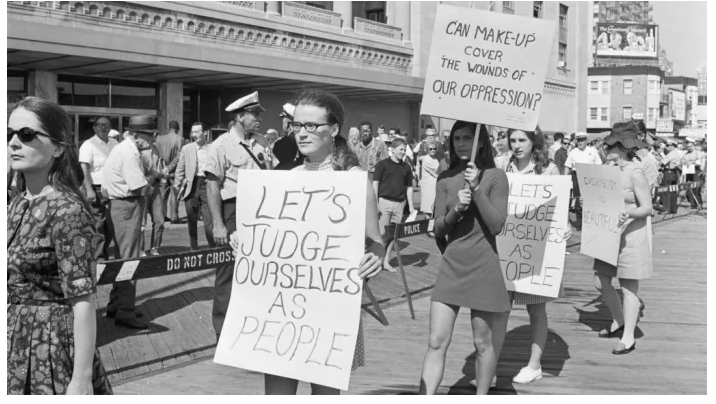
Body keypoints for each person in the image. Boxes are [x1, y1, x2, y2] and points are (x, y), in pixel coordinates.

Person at [228, 88, 385, 395]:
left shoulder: (353, 181)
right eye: (297, 124)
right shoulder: (285, 179)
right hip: (281, 311)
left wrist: (375, 257)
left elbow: (376, 241)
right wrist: (246, 240)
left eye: (311, 125)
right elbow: (272, 239)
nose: (301, 132)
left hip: (330, 310)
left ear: (334, 129)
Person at [7, 96, 113, 394]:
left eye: (26, 134)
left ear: (58, 147)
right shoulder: (17, 203)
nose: (14, 142)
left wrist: (81, 378)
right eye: (9, 134)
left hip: (51, 347)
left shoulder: (67, 211)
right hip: (15, 340)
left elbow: (83, 300)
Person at [419, 121, 509, 395]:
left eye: (467, 138)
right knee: (436, 341)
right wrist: (456, 210)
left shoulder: (496, 176)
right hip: (452, 265)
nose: (460, 143)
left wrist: (477, 189)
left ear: (480, 142)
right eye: (456, 138)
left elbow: (497, 225)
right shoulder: (445, 177)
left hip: (484, 265)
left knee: (482, 344)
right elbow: (438, 228)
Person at [483, 127, 571, 386]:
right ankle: (489, 367)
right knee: (500, 310)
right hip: (505, 248)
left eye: (522, 140)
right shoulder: (501, 165)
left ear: (534, 141)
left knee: (536, 308)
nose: (516, 145)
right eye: (512, 140)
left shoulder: (549, 170)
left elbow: (560, 208)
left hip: (535, 249)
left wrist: (566, 226)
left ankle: (534, 365)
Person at [205, 91, 271, 339]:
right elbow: (212, 186)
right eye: (255, 115)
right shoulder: (221, 145)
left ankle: (251, 325)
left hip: (261, 211)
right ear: (240, 117)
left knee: (257, 268)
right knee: (228, 270)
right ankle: (223, 331)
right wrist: (218, 224)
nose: (259, 119)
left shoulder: (262, 142)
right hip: (233, 210)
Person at [593, 123, 653, 355]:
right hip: (608, 235)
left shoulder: (635, 172)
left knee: (628, 288)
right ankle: (619, 319)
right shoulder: (608, 169)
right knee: (600, 281)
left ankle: (628, 336)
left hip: (630, 237)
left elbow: (647, 208)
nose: (606, 148)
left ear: (623, 147)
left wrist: (629, 214)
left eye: (611, 145)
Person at [103, 115, 164, 329]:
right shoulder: (128, 152)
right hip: (127, 205)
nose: (153, 138)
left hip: (122, 205)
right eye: (150, 134)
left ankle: (117, 304)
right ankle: (125, 312)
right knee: (130, 260)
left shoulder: (127, 149)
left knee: (123, 257)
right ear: (137, 135)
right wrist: (153, 179)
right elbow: (141, 187)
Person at [78, 116, 119, 260]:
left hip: (113, 189)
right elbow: (84, 169)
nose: (103, 127)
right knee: (98, 224)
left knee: (110, 224)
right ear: (94, 128)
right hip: (95, 189)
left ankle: (104, 251)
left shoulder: (115, 143)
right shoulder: (88, 145)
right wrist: (89, 189)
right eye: (100, 125)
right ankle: (98, 257)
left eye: (106, 124)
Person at [373, 137, 416, 272]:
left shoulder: (406, 167)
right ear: (392, 149)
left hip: (399, 204)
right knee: (381, 234)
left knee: (393, 235)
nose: (403, 152)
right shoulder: (382, 164)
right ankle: (376, 261)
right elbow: (375, 184)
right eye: (400, 149)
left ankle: (385, 262)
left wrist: (411, 206)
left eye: (404, 150)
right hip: (384, 202)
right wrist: (375, 202)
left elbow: (409, 188)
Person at [174, 122, 214, 250]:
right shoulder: (187, 148)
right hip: (191, 184)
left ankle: (212, 246)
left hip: (207, 183)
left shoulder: (213, 147)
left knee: (208, 217)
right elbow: (180, 168)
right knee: (191, 216)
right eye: (193, 132)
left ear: (205, 133)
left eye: (197, 132)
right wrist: (177, 186)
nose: (194, 135)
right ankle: (193, 246)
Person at [565, 132, 602, 230]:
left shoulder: (593, 151)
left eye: (582, 140)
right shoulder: (573, 152)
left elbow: (599, 165)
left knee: (589, 199)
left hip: (590, 176)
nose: (580, 142)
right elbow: (567, 166)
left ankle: (590, 222)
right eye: (578, 140)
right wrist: (564, 180)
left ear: (586, 141)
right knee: (578, 199)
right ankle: (580, 221)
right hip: (576, 176)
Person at [155, 120, 184, 224]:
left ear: (168, 128)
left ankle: (162, 215)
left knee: (162, 194)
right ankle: (174, 217)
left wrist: (163, 168)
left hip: (162, 171)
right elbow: (179, 156)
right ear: (178, 129)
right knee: (174, 193)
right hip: (174, 171)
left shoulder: (159, 138)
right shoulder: (180, 139)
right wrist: (170, 167)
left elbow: (156, 154)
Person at [417, 139, 442, 220]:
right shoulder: (426, 159)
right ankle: (429, 226)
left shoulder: (435, 159)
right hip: (428, 187)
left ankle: (432, 225)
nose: (433, 150)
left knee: (433, 209)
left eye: (434, 148)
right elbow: (438, 171)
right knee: (429, 210)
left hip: (434, 186)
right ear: (427, 150)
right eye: (430, 149)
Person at [680, 138, 704, 209]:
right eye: (688, 146)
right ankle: (692, 204)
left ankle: (699, 204)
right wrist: (683, 162)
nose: (689, 148)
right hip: (689, 172)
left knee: (697, 189)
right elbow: (682, 161)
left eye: (690, 146)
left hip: (696, 172)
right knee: (689, 189)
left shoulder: (698, 153)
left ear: (693, 146)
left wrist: (692, 162)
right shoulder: (685, 154)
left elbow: (700, 162)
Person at [659, 140, 682, 214]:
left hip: (669, 173)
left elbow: (662, 163)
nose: (666, 147)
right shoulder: (677, 153)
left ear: (673, 146)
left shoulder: (671, 154)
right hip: (674, 173)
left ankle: (666, 209)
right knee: (673, 191)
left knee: (666, 191)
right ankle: (673, 209)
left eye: (668, 145)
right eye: (666, 145)